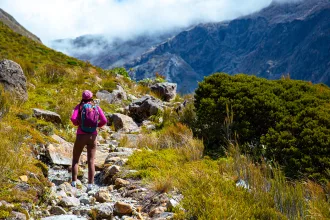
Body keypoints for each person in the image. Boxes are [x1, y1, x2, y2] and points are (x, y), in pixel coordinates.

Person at [70, 90, 107, 190]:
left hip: (81, 135)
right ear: (91, 98)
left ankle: (73, 183)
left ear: (82, 97)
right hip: (93, 136)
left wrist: (78, 124)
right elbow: (104, 120)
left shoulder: (79, 107)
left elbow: (73, 119)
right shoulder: (96, 107)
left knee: (75, 160)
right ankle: (90, 185)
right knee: (91, 161)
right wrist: (96, 126)